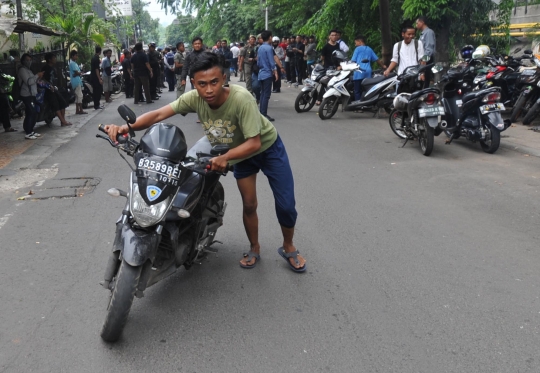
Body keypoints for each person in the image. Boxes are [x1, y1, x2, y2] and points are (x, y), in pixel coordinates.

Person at [104, 52, 306, 272]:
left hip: (267, 149)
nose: (209, 90)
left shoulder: (242, 99)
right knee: (249, 204)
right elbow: (159, 114)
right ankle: (254, 247)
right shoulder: (194, 99)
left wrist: (225, 158)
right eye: (202, 84)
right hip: (239, 155)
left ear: (224, 79)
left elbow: (254, 143)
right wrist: (127, 128)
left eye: (214, 82)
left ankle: (288, 246)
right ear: (194, 83)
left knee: (286, 205)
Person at [350, 35, 386, 102]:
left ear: (360, 42)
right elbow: (377, 60)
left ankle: (358, 106)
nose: (355, 45)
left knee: (357, 90)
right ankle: (366, 103)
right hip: (368, 72)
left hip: (358, 72)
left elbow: (353, 61)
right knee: (366, 90)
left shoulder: (357, 49)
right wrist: (383, 66)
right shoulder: (369, 49)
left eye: (356, 43)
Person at [18, 53, 44, 139]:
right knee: (31, 112)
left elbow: (33, 82)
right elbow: (28, 82)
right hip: (26, 95)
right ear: (23, 61)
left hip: (32, 94)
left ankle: (31, 131)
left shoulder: (29, 70)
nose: (29, 62)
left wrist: (38, 77)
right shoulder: (22, 70)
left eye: (30, 60)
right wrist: (37, 75)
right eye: (27, 60)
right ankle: (28, 132)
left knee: (32, 112)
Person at [42, 53, 72, 126]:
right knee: (55, 105)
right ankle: (62, 121)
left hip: (54, 88)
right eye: (54, 58)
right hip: (48, 90)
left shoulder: (53, 68)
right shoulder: (45, 68)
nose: (55, 59)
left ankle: (63, 120)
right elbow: (42, 79)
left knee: (63, 103)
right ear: (49, 60)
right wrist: (48, 85)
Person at [258, 30, 279, 121]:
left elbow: (258, 62)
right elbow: (271, 61)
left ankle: (261, 113)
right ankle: (263, 114)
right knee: (266, 95)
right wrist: (275, 71)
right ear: (270, 37)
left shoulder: (260, 48)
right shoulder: (269, 48)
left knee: (263, 94)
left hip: (261, 73)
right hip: (267, 74)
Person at [317, 30, 341, 105]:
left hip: (336, 67)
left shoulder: (338, 45)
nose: (334, 36)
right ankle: (319, 99)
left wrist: (339, 65)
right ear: (329, 36)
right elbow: (322, 57)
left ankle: (333, 99)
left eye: (335, 35)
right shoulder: (326, 46)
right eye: (332, 35)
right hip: (328, 67)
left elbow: (339, 55)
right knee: (324, 83)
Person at [416, 16, 436, 88]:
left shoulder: (429, 32)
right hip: (423, 62)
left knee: (425, 84)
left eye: (417, 23)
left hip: (427, 61)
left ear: (422, 22)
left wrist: (424, 62)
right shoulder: (422, 34)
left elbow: (429, 49)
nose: (416, 25)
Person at [68, 50, 87, 115]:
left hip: (75, 80)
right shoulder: (72, 63)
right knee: (80, 96)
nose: (77, 57)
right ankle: (81, 110)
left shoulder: (73, 63)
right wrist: (79, 73)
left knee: (77, 96)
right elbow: (77, 72)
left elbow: (76, 73)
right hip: (76, 81)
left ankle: (77, 110)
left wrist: (78, 73)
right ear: (73, 56)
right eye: (76, 55)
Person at [90, 45, 104, 110]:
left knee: (96, 91)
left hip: (93, 76)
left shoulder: (93, 58)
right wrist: (99, 79)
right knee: (98, 90)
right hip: (95, 77)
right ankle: (96, 105)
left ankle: (97, 104)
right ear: (100, 51)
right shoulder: (96, 58)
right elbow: (96, 69)